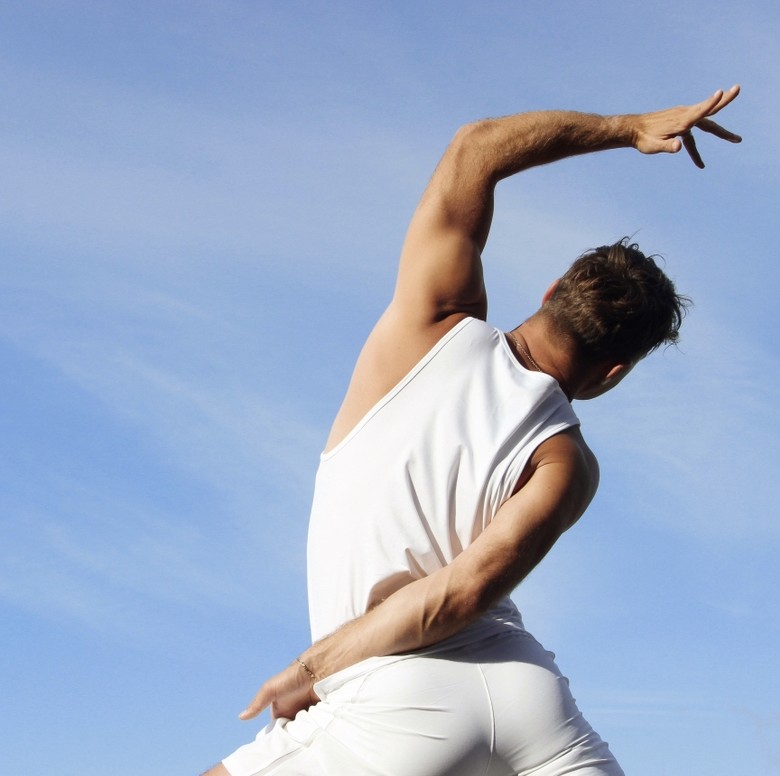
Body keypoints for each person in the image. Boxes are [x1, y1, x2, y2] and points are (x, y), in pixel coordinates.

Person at [203, 87, 741, 776]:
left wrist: (629, 128)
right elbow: (469, 588)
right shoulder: (568, 462)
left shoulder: (430, 320)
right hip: (529, 697)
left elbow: (477, 146)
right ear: (614, 371)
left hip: (396, 694)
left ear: (550, 291)